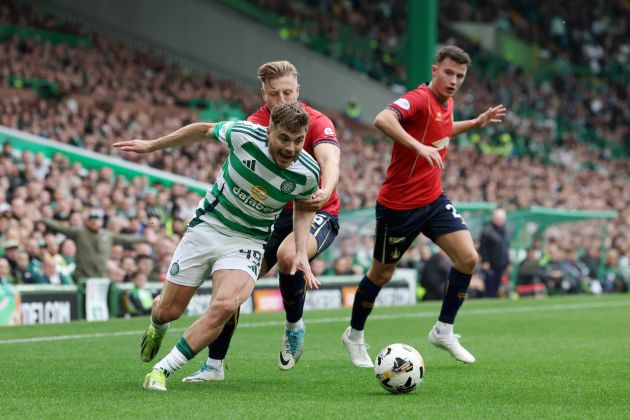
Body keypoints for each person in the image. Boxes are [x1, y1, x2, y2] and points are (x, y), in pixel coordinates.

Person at [113, 102, 321, 391]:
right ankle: (157, 326)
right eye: (284, 138)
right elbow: (203, 129)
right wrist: (153, 146)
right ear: (269, 130)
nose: (290, 148)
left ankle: (162, 370)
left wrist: (300, 251)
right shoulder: (243, 134)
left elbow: (305, 206)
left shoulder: (309, 171)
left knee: (225, 305)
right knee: (168, 311)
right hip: (208, 227)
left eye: (298, 141)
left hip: (248, 240)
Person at [341, 45, 506, 367]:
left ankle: (443, 330)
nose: (454, 80)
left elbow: (443, 130)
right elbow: (382, 118)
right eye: (448, 73)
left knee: (468, 258)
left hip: (432, 199)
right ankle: (354, 335)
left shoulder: (448, 103)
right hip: (399, 206)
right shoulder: (418, 98)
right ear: (434, 70)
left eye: (460, 76)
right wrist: (418, 147)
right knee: (381, 274)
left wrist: (476, 123)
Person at [183, 60, 340, 382]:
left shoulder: (317, 121)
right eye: (274, 94)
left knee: (287, 256)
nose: (282, 100)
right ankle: (214, 366)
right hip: (266, 217)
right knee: (231, 289)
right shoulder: (255, 124)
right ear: (263, 94)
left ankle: (294, 326)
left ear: (298, 91)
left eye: (287, 92)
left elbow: (330, 159)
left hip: (316, 210)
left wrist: (325, 189)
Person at [41, 209, 151, 282]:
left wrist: (145, 238)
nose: (94, 222)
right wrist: (44, 219)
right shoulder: (80, 233)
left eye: (97, 219)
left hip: (101, 277)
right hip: (82, 277)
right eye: (92, 219)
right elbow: (62, 228)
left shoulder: (107, 235)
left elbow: (127, 239)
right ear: (88, 221)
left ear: (102, 222)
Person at [479, 208, 510, 298]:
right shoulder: (487, 230)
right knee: (490, 286)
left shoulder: (503, 231)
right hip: (491, 264)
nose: (501, 221)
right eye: (499, 218)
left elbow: (505, 247)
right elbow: (483, 247)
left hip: (501, 264)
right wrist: (485, 261)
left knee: (498, 286)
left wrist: (508, 262)